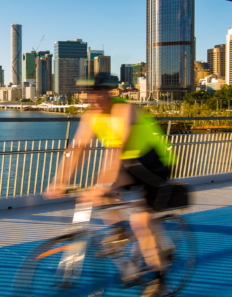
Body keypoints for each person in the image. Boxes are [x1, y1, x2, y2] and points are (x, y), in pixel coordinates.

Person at [44, 72, 175, 296]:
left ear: (109, 92)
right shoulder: (91, 115)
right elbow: (75, 150)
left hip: (155, 162)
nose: (95, 99)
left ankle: (158, 279)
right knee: (101, 190)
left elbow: (118, 150)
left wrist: (103, 185)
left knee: (140, 221)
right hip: (130, 163)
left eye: (99, 93)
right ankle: (119, 231)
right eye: (90, 94)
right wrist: (59, 181)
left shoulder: (124, 110)